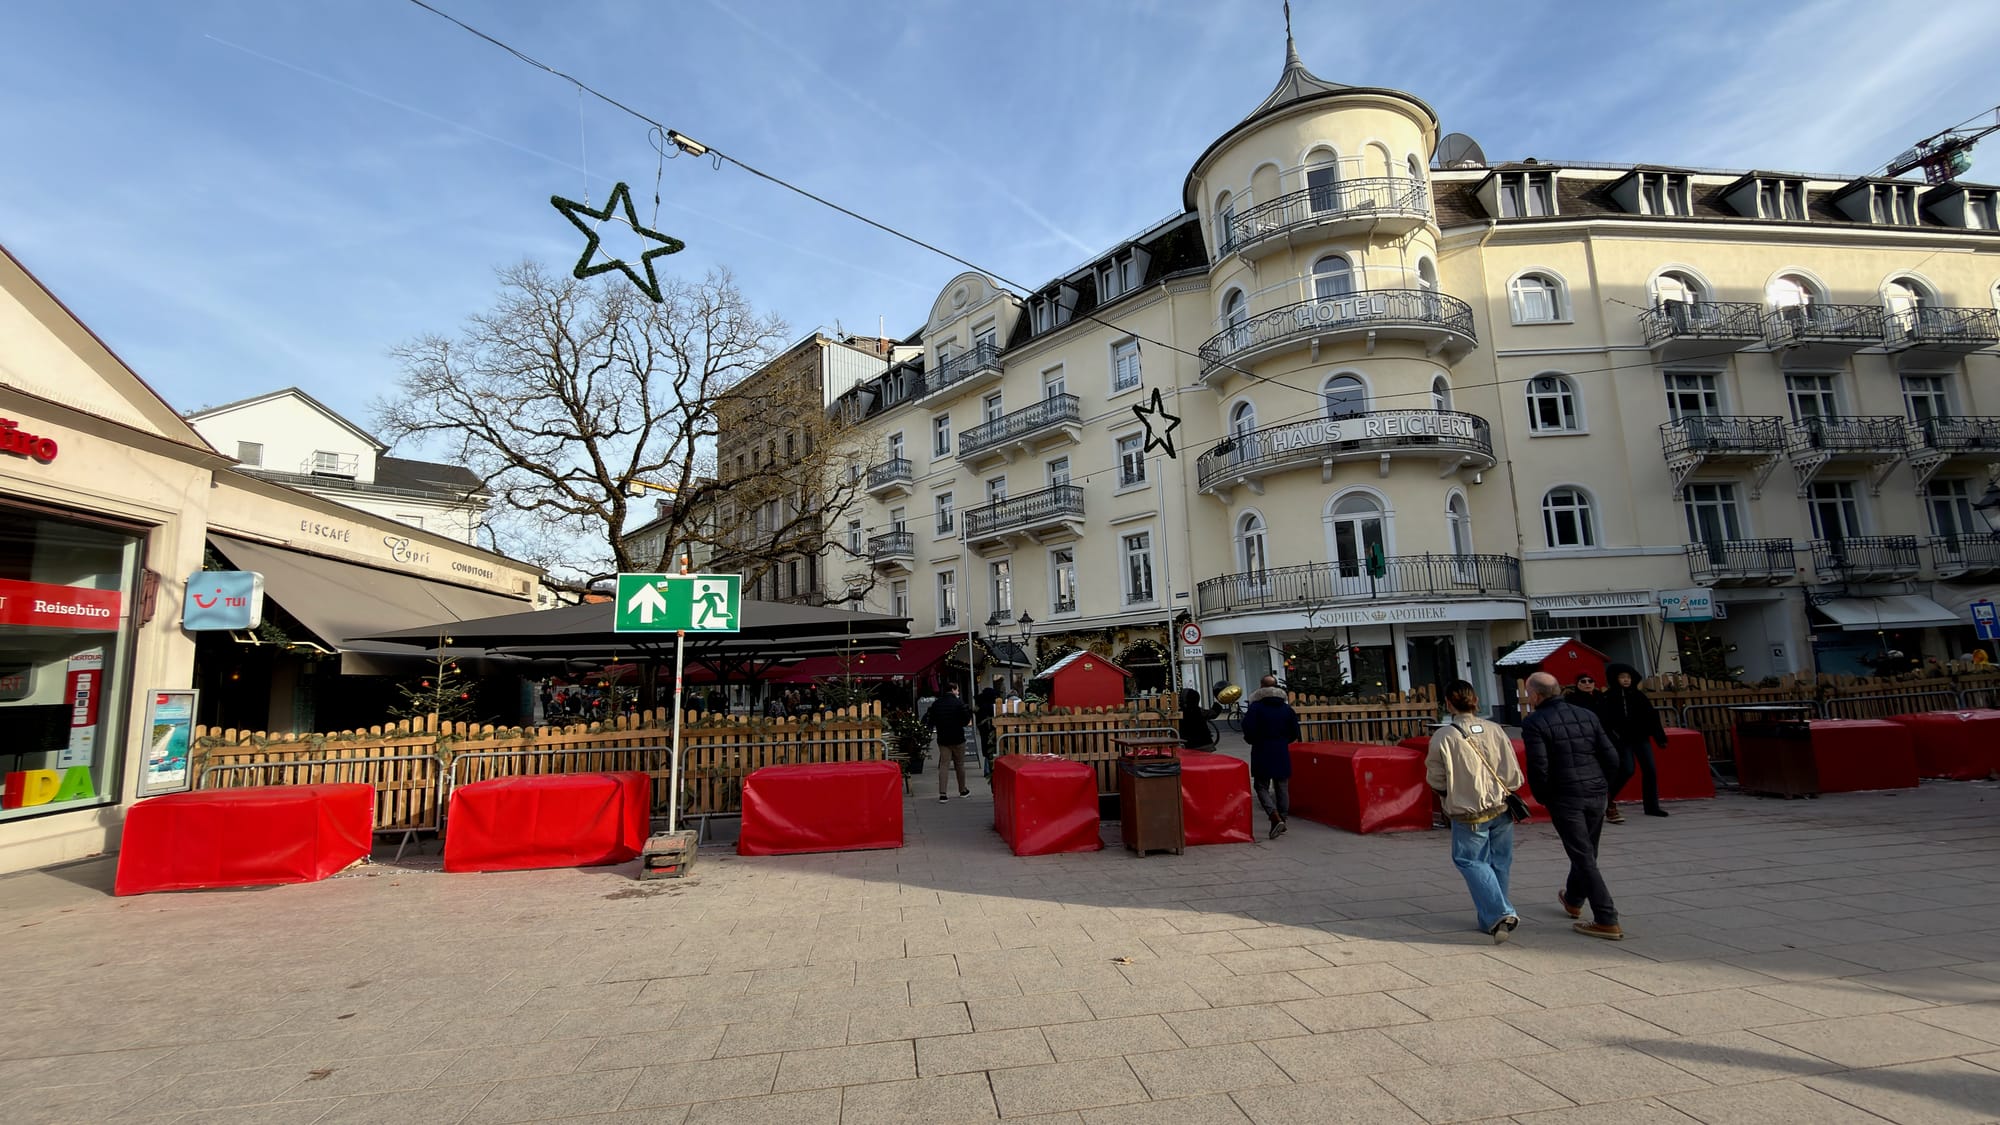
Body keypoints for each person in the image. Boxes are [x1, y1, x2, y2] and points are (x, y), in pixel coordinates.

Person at [1521, 671, 1624, 941]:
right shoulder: (1586, 715)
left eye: (1528, 693)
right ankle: (1574, 898)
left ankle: (1606, 917)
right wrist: (1604, 784)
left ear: (1536, 695)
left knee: (1583, 855)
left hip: (1565, 794)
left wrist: (1544, 796)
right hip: (1595, 790)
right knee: (1587, 850)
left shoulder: (1534, 722)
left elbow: (1538, 765)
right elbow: (1611, 755)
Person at [1426, 680, 1526, 942]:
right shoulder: (1495, 729)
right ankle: (1491, 918)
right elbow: (1513, 773)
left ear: (1448, 704)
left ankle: (1499, 913)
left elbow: (1435, 777)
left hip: (1468, 809)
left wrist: (1449, 794)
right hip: (1502, 805)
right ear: (1476, 700)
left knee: (1470, 860)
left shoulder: (1444, 736)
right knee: (1499, 862)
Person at [1598, 663, 1669, 820]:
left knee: (1650, 769)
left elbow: (1652, 718)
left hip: (1641, 738)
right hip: (1622, 740)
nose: (1626, 680)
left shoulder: (1639, 696)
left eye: (1628, 677)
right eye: (1622, 677)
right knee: (1627, 769)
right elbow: (1605, 720)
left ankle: (1652, 806)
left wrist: (1660, 737)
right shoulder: (1608, 697)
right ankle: (1606, 797)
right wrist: (1613, 737)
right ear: (1615, 679)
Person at [1241, 674, 1300, 840]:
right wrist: (1283, 741)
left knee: (1261, 785)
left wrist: (1252, 740)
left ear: (1262, 686)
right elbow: (1294, 731)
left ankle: (1274, 815)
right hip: (1281, 750)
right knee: (1282, 786)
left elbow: (1247, 727)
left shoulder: (1256, 707)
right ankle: (1283, 818)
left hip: (1262, 749)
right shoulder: (1286, 709)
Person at [925, 680, 973, 802]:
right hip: (958, 738)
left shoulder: (937, 704)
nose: (958, 692)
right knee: (960, 764)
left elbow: (932, 720)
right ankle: (962, 790)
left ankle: (943, 794)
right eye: (957, 690)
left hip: (943, 738)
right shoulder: (959, 703)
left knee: (944, 765)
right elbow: (966, 720)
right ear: (953, 690)